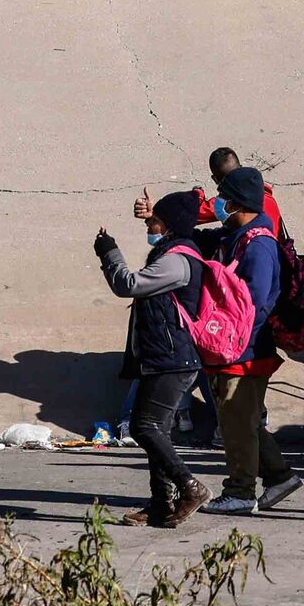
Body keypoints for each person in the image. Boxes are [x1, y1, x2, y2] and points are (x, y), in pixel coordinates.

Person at [95, 192, 211, 528]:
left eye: (153, 220)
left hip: (173, 359)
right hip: (162, 356)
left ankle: (190, 487)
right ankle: (161, 504)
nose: (148, 224)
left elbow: (127, 284)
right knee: (156, 429)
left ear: (170, 225)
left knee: (143, 427)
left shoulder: (176, 260)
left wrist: (109, 252)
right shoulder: (173, 251)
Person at [200, 168, 304, 516]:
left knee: (236, 425)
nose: (217, 203)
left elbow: (254, 303)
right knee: (241, 421)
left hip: (244, 350)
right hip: (235, 348)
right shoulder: (236, 235)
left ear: (237, 202)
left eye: (223, 196)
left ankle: (240, 491)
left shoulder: (258, 244)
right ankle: (280, 476)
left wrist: (229, 336)